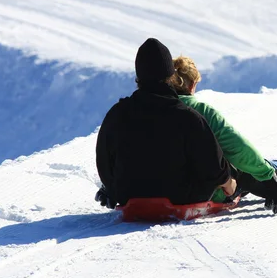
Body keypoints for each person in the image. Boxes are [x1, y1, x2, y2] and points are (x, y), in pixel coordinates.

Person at [95, 38, 241, 212]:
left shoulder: (117, 114)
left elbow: (103, 161)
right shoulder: (188, 117)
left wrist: (113, 188)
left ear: (138, 76)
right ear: (171, 76)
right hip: (183, 197)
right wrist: (229, 182)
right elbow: (212, 164)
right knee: (234, 176)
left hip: (129, 195)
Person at [169, 55, 277, 210]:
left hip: (165, 185)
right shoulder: (200, 111)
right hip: (208, 190)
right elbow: (239, 149)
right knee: (239, 164)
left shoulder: (155, 110)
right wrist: (269, 177)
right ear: (192, 85)